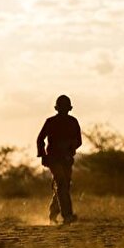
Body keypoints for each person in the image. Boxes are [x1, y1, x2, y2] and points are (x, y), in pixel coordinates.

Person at [37, 95, 82, 224]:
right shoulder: (50, 122)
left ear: (69, 109)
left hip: (67, 159)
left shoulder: (73, 122)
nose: (63, 110)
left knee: (63, 186)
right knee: (62, 182)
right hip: (53, 158)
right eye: (61, 107)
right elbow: (40, 139)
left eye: (65, 108)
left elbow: (79, 141)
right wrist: (43, 156)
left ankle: (53, 214)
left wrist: (70, 147)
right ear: (57, 108)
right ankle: (67, 215)